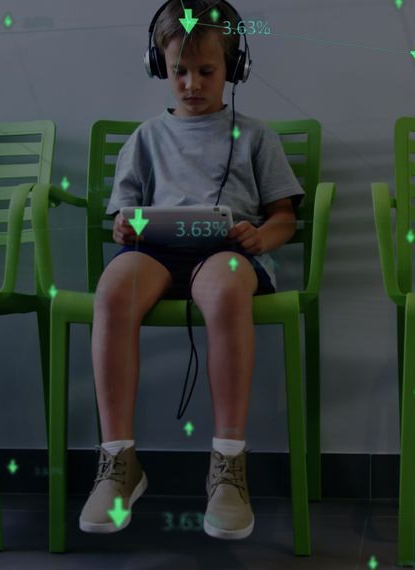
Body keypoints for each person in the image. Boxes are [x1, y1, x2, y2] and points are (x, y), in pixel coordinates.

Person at [78, 0, 303, 540]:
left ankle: (228, 466)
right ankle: (118, 461)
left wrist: (258, 235)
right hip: (156, 254)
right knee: (112, 290)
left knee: (225, 286)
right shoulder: (146, 139)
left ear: (234, 69)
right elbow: (121, 219)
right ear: (160, 67)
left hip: (228, 254)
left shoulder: (255, 137)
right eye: (179, 70)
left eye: (207, 71)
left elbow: (284, 219)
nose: (192, 83)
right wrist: (124, 230)